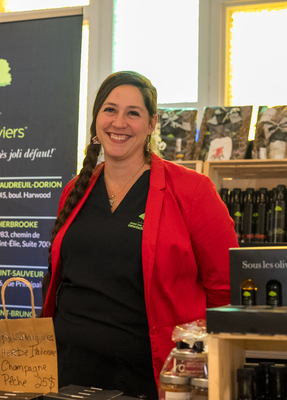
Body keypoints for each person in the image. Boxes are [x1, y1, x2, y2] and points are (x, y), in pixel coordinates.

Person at [41, 71, 239, 397]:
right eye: (110, 110)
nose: (119, 122)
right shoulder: (75, 190)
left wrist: (201, 365)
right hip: (69, 371)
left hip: (147, 377)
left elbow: (226, 291)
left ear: (151, 124)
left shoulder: (191, 191)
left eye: (133, 113)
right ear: (96, 118)